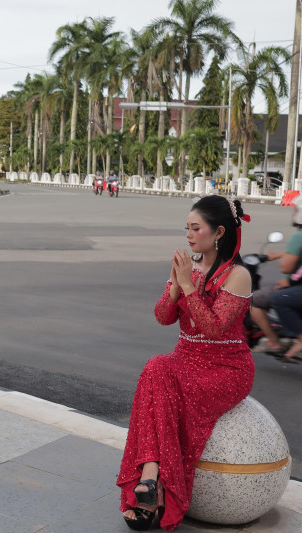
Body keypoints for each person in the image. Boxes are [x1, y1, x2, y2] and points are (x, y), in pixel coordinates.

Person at [117, 196, 254, 531]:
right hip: (185, 358)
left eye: (196, 228)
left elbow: (214, 327)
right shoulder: (186, 270)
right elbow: (163, 317)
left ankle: (155, 489)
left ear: (219, 232)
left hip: (226, 368)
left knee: (165, 385)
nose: (189, 235)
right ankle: (151, 479)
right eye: (187, 229)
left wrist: (189, 285)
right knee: (155, 367)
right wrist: (176, 286)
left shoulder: (238, 275)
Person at [250, 195, 302, 354]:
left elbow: (286, 269)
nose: (293, 213)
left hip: (296, 285)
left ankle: (274, 341)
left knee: (254, 301)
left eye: (296, 210)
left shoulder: (298, 237)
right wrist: (279, 255)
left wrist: (291, 281)